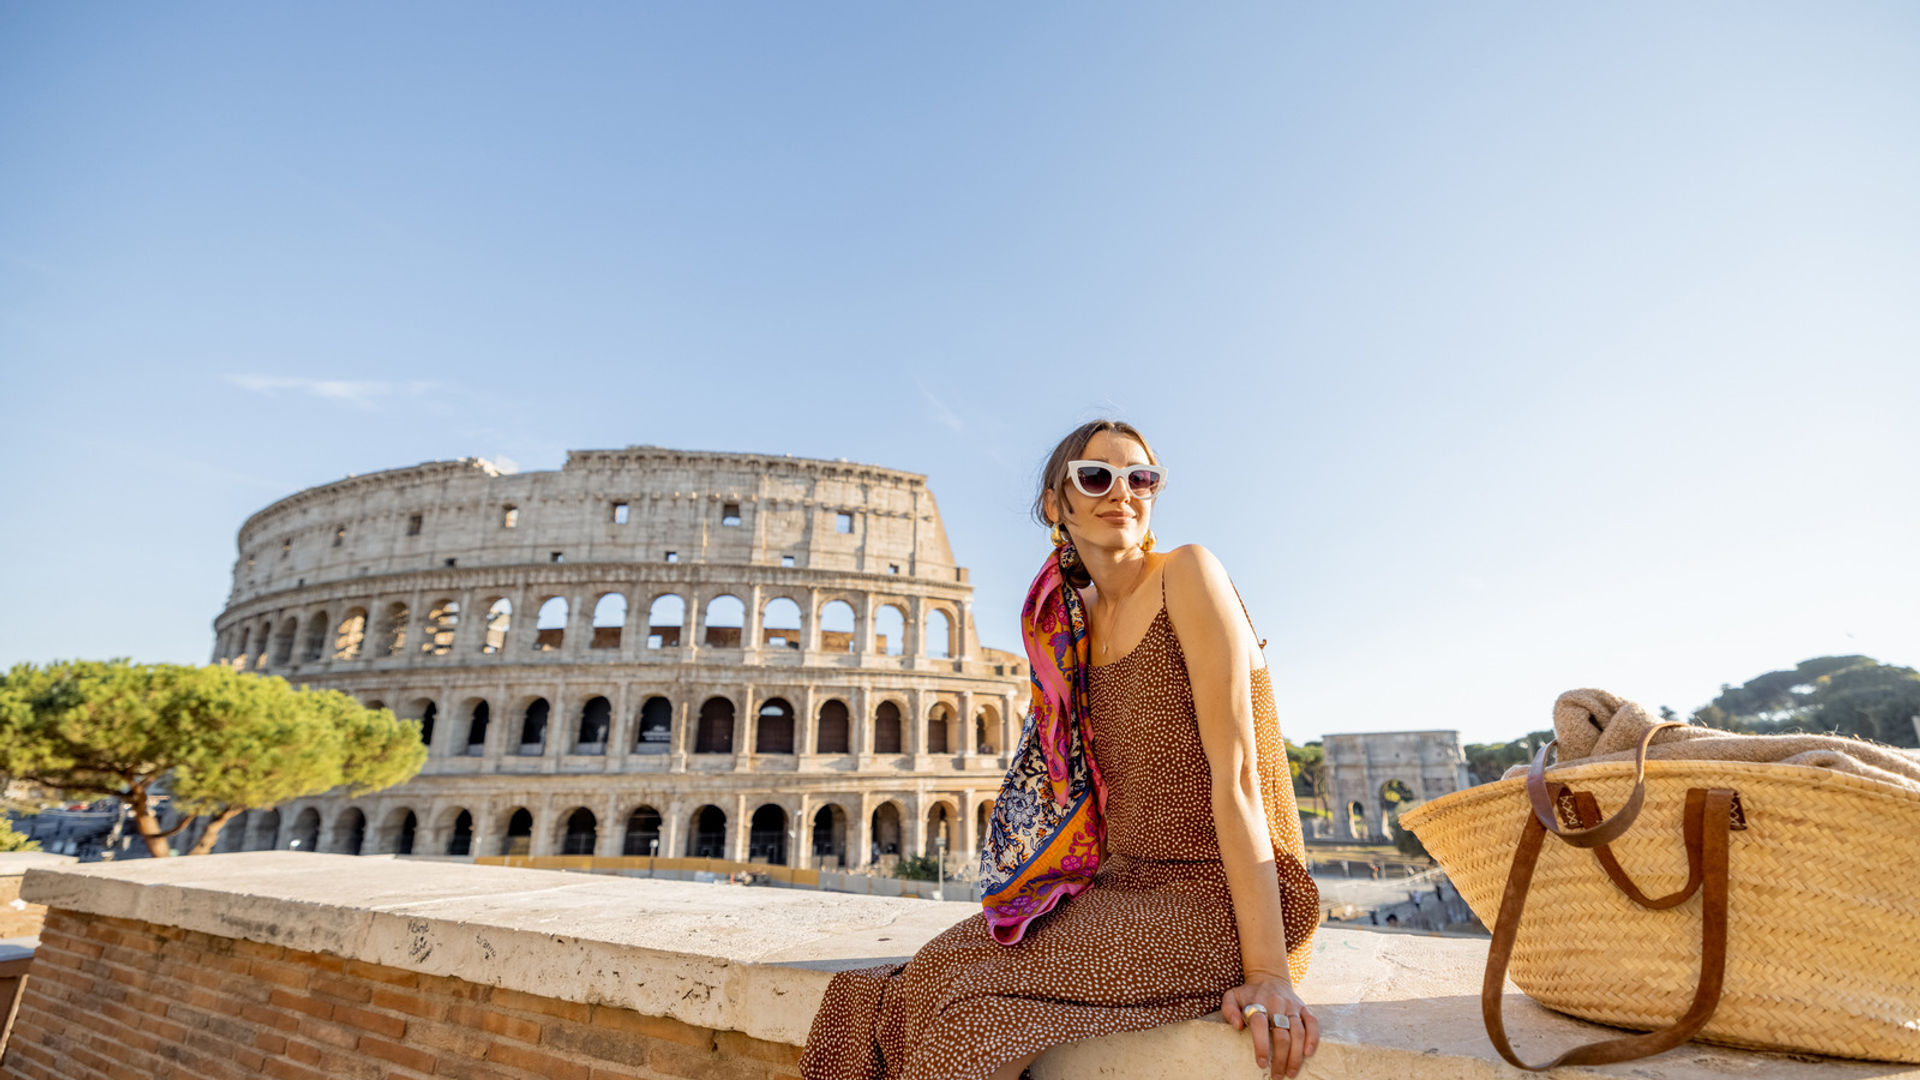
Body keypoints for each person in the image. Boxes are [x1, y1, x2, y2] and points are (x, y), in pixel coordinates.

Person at [800, 420, 1322, 1080]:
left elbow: (1239, 776)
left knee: (969, 1017)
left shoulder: (1188, 573)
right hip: (1122, 885)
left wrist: (1269, 972)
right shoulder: (1069, 621)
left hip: (1222, 899)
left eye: (1141, 478)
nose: (1122, 492)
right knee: (919, 980)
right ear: (1057, 503)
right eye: (1096, 477)